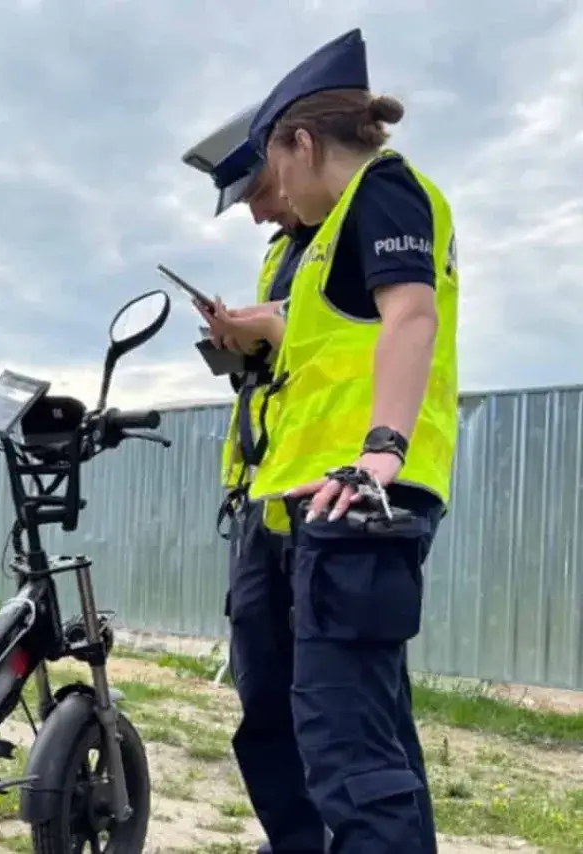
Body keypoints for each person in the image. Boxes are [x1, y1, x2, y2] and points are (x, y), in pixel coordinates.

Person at [215, 28, 457, 853]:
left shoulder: (387, 193)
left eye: (273, 170)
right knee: (290, 724)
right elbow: (327, 344)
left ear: (304, 142)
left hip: (358, 499)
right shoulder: (318, 242)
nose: (270, 196)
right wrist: (254, 335)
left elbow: (411, 316)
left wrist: (381, 448)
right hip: (298, 501)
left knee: (347, 745)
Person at [183, 108, 327, 854]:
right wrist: (237, 340)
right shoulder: (282, 256)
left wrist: (270, 326)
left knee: (332, 708)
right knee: (263, 700)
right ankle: (295, 839)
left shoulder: (349, 235)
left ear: (288, 153)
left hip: (326, 501)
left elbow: (346, 350)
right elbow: (279, 373)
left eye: (256, 191)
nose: (256, 211)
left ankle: (333, 838)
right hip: (262, 500)